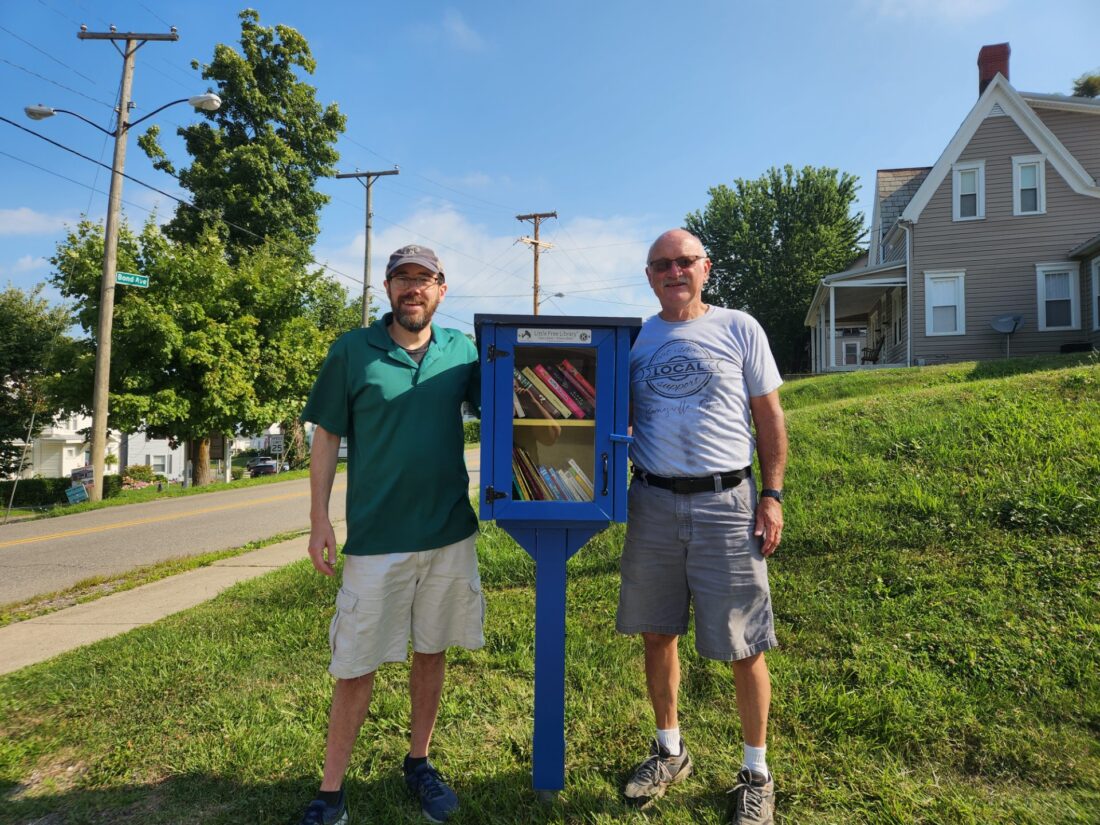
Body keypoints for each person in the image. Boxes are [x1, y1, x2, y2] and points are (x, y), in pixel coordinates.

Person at [297, 244, 482, 825]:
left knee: (431, 651)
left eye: (424, 279)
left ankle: (419, 762)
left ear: (441, 290)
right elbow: (326, 436)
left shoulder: (462, 351)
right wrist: (320, 518)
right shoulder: (354, 350)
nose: (413, 289)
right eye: (402, 279)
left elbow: (508, 406)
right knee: (356, 664)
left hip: (449, 533)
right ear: (387, 288)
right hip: (377, 540)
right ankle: (331, 791)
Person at [617, 229, 788, 824]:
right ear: (649, 275)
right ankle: (669, 751)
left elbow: (768, 417)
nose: (673, 271)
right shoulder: (635, 342)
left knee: (745, 643)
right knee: (657, 632)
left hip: (728, 500)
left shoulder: (740, 327)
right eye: (661, 264)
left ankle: (756, 773)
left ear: (705, 267)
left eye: (684, 261)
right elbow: (613, 418)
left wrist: (771, 495)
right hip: (654, 502)